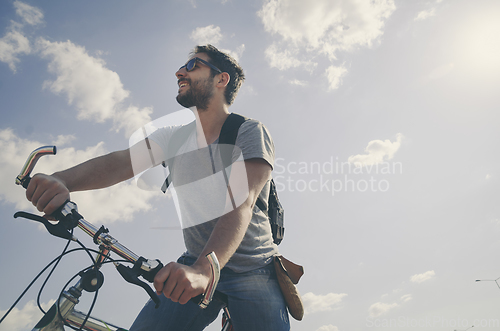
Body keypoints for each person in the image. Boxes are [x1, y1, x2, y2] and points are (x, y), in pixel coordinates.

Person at [26, 44, 290, 330]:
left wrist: (205, 271)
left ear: (221, 79)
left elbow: (242, 201)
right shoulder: (173, 138)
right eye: (182, 67)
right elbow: (120, 163)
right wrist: (63, 180)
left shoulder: (248, 131)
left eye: (193, 66)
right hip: (191, 264)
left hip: (253, 269)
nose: (180, 72)